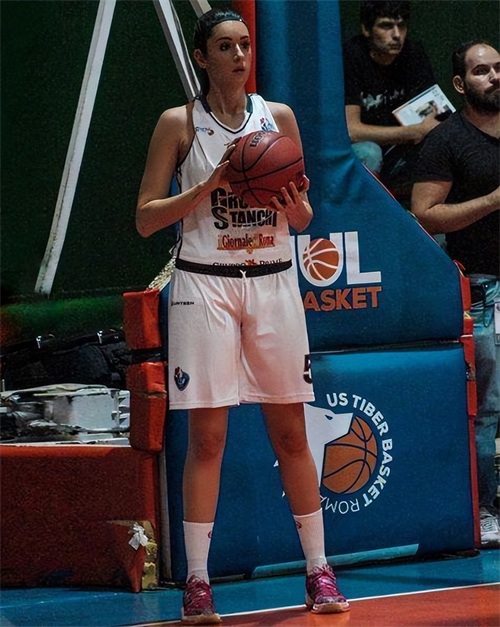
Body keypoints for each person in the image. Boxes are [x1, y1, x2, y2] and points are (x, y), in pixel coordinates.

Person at [136, 8, 350, 624]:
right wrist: (211, 185)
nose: (238, 55)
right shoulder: (179, 123)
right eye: (225, 46)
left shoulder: (277, 118)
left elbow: (304, 217)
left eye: (245, 45)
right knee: (207, 438)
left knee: (292, 433)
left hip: (274, 281)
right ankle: (198, 582)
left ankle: (319, 571)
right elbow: (146, 218)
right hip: (205, 285)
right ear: (201, 57)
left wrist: (292, 205)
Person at [411, 40, 500, 546]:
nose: (495, 76)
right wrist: (493, 200)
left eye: (499, 68)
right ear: (461, 85)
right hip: (483, 288)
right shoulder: (447, 141)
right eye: (482, 71)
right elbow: (425, 215)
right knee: (486, 407)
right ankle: (484, 509)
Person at [343, 0, 442, 200]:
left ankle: (425, 214)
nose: (397, 35)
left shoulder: (413, 54)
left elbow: (434, 114)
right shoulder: (351, 56)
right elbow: (352, 131)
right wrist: (413, 132)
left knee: (441, 144)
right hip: (360, 149)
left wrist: (427, 130)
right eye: (386, 26)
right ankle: (368, 213)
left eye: (402, 26)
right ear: (366, 29)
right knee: (370, 152)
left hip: (398, 149)